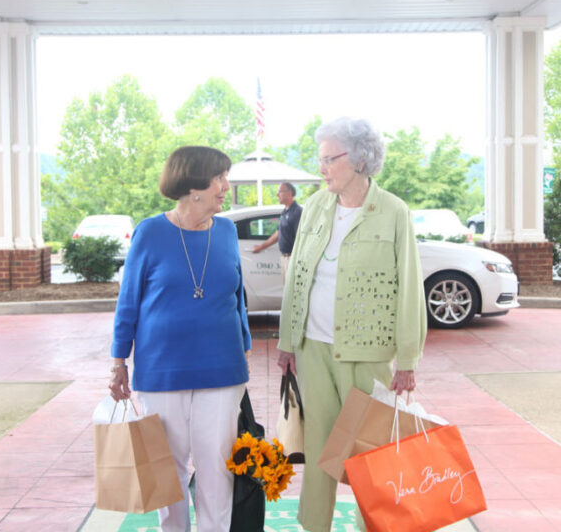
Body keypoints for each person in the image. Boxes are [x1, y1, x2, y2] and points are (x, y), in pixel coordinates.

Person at [277, 117, 427, 532]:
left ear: (360, 159)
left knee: (370, 456)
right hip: (312, 349)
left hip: (367, 354)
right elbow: (297, 279)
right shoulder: (316, 208)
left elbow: (409, 289)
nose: (321, 168)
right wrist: (288, 342)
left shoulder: (394, 212)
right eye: (320, 159)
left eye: (329, 159)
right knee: (319, 450)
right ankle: (314, 527)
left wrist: (409, 359)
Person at [109, 146, 251, 532]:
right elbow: (129, 301)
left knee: (216, 467)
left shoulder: (225, 230)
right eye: (219, 177)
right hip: (161, 370)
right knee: (167, 469)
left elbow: (237, 295)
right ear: (193, 187)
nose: (226, 185)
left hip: (223, 368)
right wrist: (119, 361)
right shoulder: (150, 232)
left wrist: (245, 347)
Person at [252, 182, 303, 281]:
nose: (277, 194)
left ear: (289, 193)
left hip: (294, 259)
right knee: (287, 290)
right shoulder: (285, 212)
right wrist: (261, 247)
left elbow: (300, 238)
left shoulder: (297, 212)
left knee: (293, 292)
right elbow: (278, 233)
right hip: (285, 258)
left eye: (279, 191)